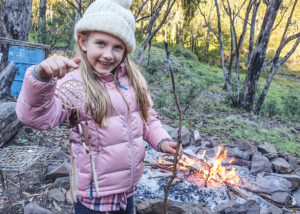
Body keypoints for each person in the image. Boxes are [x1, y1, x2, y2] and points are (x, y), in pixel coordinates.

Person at [16, 0, 182, 213]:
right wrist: (40, 79)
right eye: (101, 43)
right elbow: (37, 118)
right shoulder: (74, 84)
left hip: (127, 189)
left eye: (117, 47)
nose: (108, 54)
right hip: (94, 197)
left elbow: (147, 117)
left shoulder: (134, 81)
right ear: (83, 42)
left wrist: (162, 141)